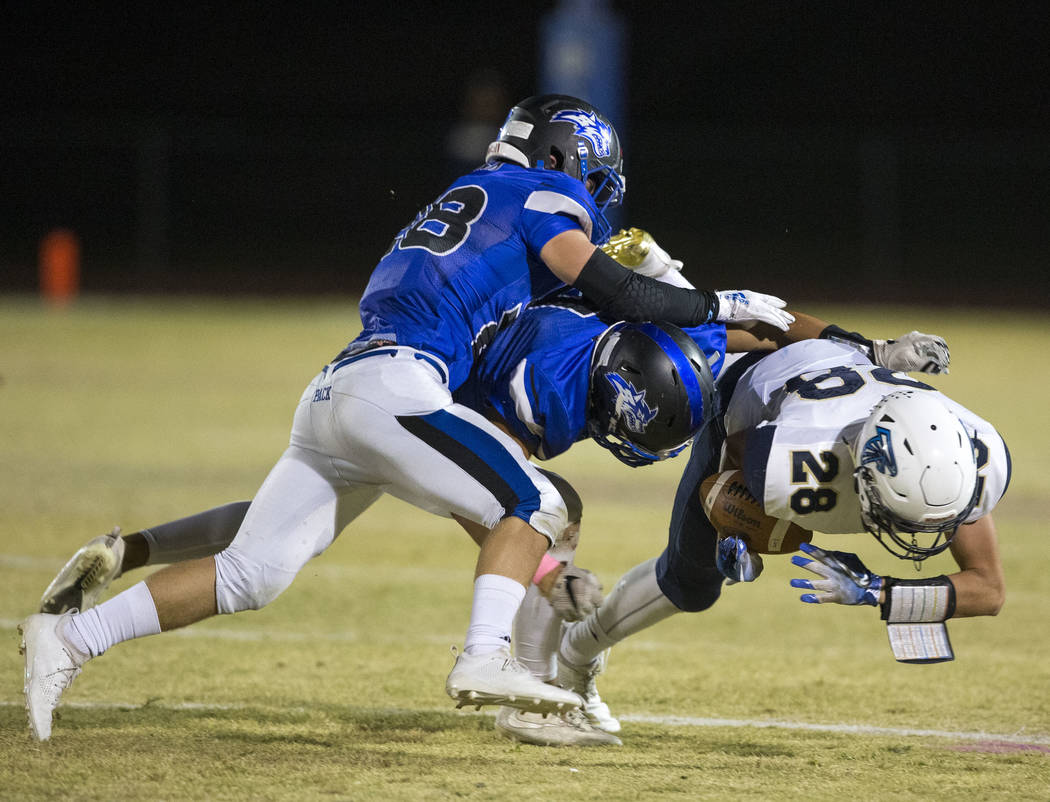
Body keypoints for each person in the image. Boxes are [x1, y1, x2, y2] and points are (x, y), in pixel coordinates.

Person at [21, 91, 803, 740]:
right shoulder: (542, 197)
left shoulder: (473, 204)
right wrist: (717, 302)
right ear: (566, 161)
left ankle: (66, 638)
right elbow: (620, 294)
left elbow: (593, 304)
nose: (592, 203)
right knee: (540, 500)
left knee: (251, 573)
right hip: (399, 385)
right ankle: (483, 658)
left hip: (339, 392)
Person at [31, 232, 951, 747]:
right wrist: (549, 571)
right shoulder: (533, 373)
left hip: (364, 389)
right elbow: (498, 510)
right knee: (549, 509)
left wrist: (873, 349)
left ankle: (120, 569)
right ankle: (515, 683)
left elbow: (769, 316)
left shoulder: (677, 330)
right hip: (415, 392)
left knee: (267, 560)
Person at [554, 337, 1009, 739]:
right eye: (902, 516)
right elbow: (737, 448)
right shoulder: (798, 464)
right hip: (751, 401)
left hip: (840, 384)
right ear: (861, 474)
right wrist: (741, 530)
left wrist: (878, 592)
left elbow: (988, 590)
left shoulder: (969, 461)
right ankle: (577, 653)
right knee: (691, 585)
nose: (917, 535)